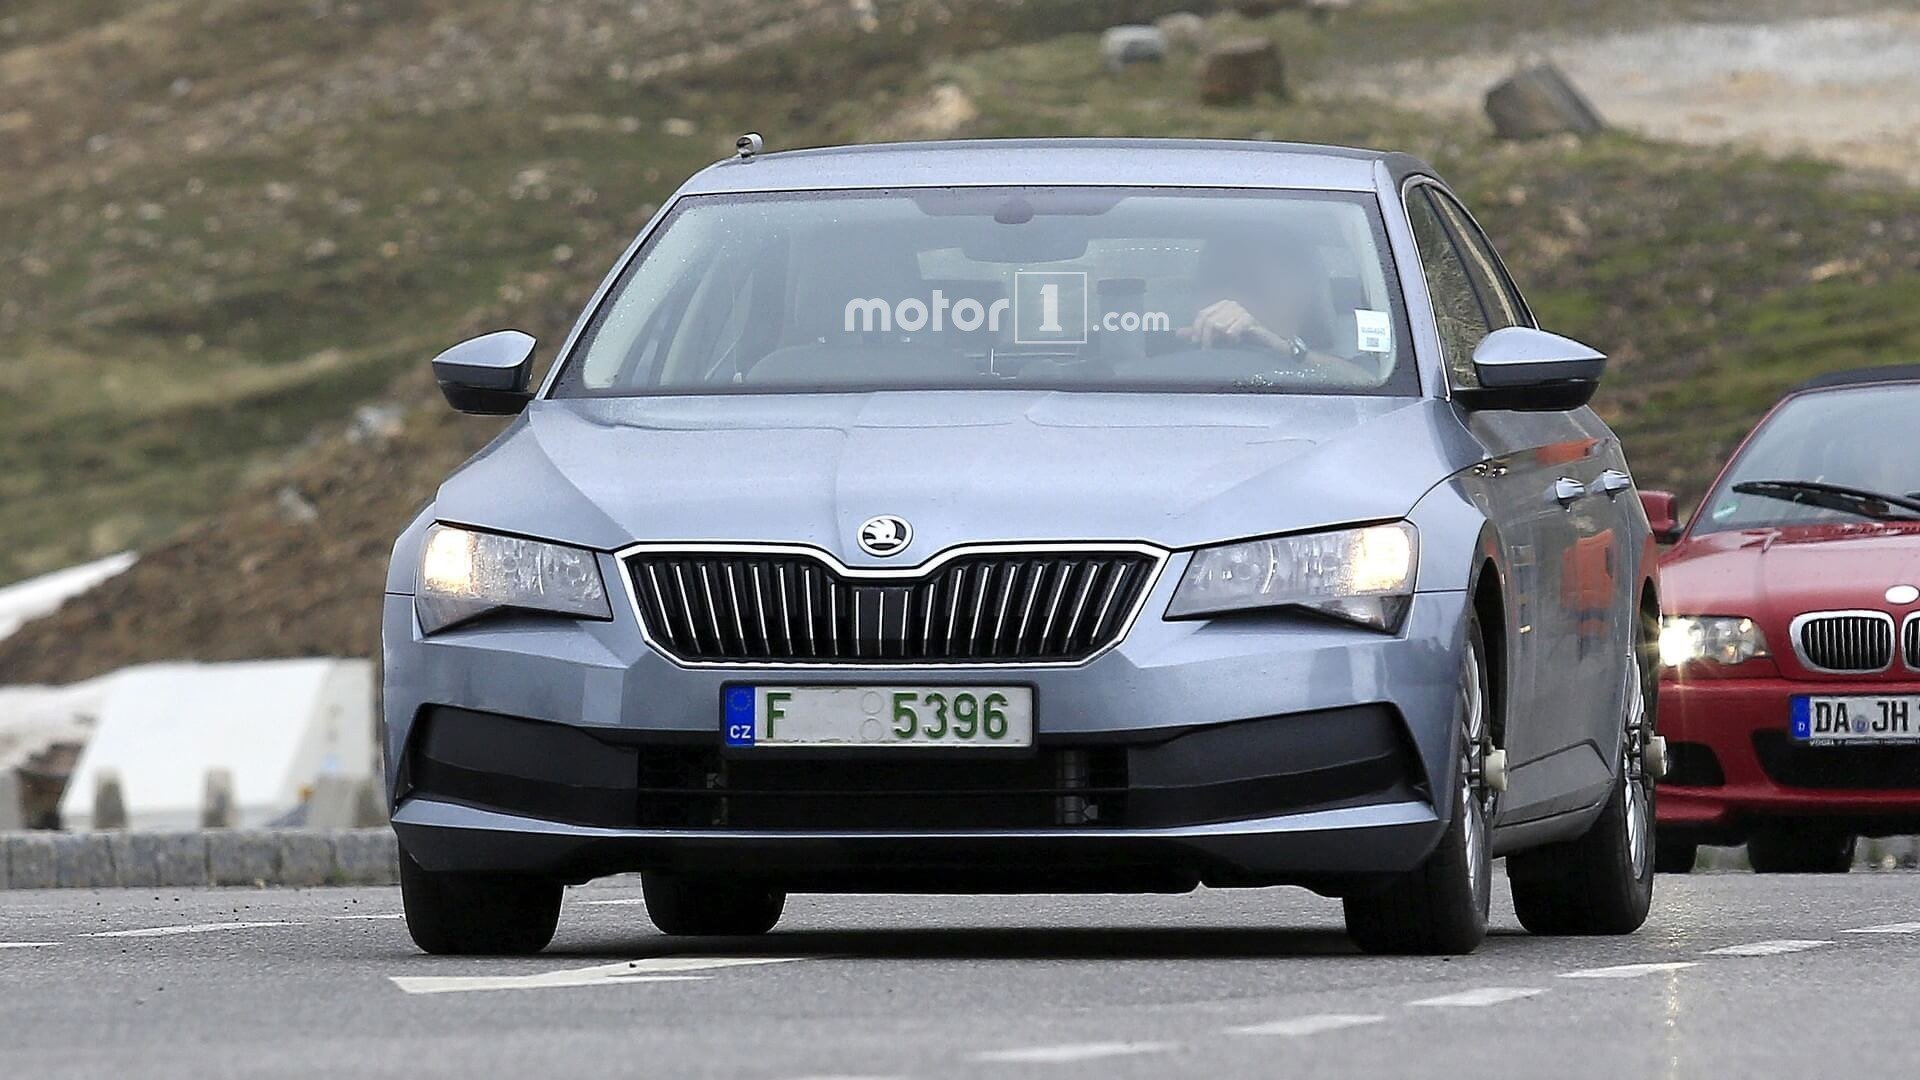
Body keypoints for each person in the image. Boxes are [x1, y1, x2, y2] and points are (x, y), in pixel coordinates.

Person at [1178, 236, 1378, 382]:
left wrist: (1279, 346)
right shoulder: (1167, 369)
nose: (1238, 307)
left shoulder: (1358, 363)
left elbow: (1368, 383)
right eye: (1234, 281)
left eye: (1259, 287)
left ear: (1309, 297)